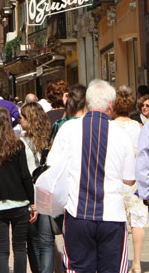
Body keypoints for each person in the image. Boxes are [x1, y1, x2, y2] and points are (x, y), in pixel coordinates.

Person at [47, 79, 135, 272]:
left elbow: (51, 167)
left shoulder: (68, 130)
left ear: (87, 104)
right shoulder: (121, 135)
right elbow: (129, 178)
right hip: (111, 215)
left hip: (77, 214)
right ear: (111, 105)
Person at [0, 106, 36, 273]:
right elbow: (25, 175)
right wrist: (33, 202)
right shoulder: (17, 145)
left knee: (1, 249)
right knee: (20, 247)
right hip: (19, 201)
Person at [113, 86, 148, 273]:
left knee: (119, 223)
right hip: (135, 180)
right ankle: (136, 263)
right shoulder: (139, 127)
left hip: (117, 179)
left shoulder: (110, 127)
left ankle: (122, 260)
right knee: (138, 222)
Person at [19, 102, 53, 273]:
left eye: (22, 117)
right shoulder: (50, 139)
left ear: (29, 120)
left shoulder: (22, 143)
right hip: (47, 192)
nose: (19, 121)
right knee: (46, 240)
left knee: (33, 240)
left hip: (30, 193)